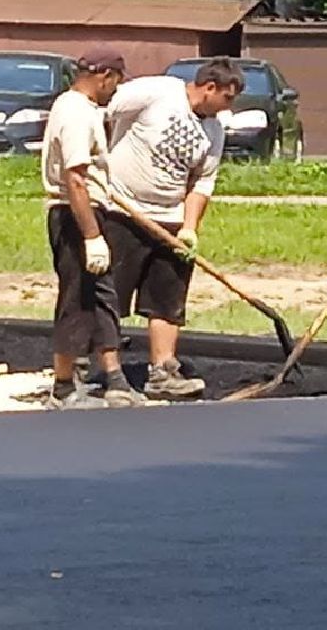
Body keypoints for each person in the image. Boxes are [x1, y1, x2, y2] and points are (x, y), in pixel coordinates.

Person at [103, 58, 243, 400]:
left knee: (167, 299)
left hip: (170, 221)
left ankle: (163, 370)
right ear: (209, 87)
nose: (229, 106)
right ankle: (107, 373)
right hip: (121, 211)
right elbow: (104, 113)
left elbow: (201, 182)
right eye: (227, 97)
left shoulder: (214, 131)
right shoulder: (157, 92)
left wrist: (189, 228)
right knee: (109, 296)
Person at [40, 47, 141, 410]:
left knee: (103, 297)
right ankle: (64, 387)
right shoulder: (74, 113)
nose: (114, 91)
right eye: (115, 83)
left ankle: (115, 380)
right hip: (73, 214)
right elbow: (75, 178)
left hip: (91, 210)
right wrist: (91, 236)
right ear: (104, 77)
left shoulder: (86, 110)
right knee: (77, 298)